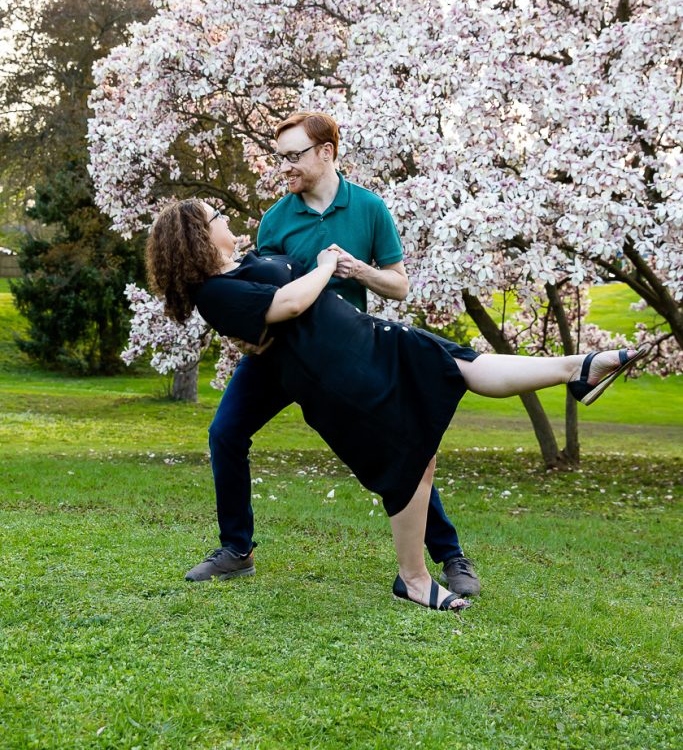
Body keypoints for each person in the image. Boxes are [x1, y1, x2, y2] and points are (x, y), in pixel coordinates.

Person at [146, 197, 644, 612]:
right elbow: (290, 305)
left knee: (465, 367)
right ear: (199, 237)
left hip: (372, 342)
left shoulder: (253, 258)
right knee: (409, 457)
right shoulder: (215, 291)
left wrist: (343, 269)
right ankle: (414, 577)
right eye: (217, 219)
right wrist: (321, 267)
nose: (227, 221)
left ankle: (577, 368)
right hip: (341, 372)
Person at [186, 112, 481, 596]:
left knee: (400, 447)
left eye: (294, 156)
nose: (285, 168)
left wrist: (358, 271)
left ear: (326, 152)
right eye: (280, 158)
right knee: (225, 432)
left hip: (345, 358)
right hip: (275, 357)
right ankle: (236, 550)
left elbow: (399, 285)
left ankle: (449, 555)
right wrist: (247, 335)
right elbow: (259, 291)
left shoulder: (368, 208)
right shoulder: (277, 219)